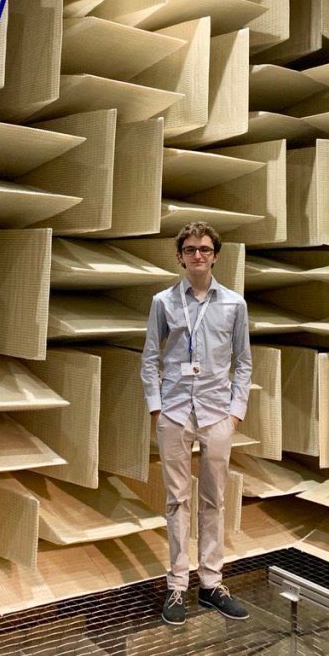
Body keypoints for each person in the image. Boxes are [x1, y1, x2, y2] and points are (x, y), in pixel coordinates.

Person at [140, 221, 252, 626]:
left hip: (217, 413)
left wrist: (235, 413)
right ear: (180, 256)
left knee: (214, 500)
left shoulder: (234, 304)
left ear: (215, 255)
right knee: (176, 500)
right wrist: (157, 408)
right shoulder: (163, 302)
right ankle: (176, 585)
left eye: (205, 249)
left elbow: (244, 362)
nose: (198, 255)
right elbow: (150, 358)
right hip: (174, 413)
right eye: (190, 249)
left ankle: (210, 583)